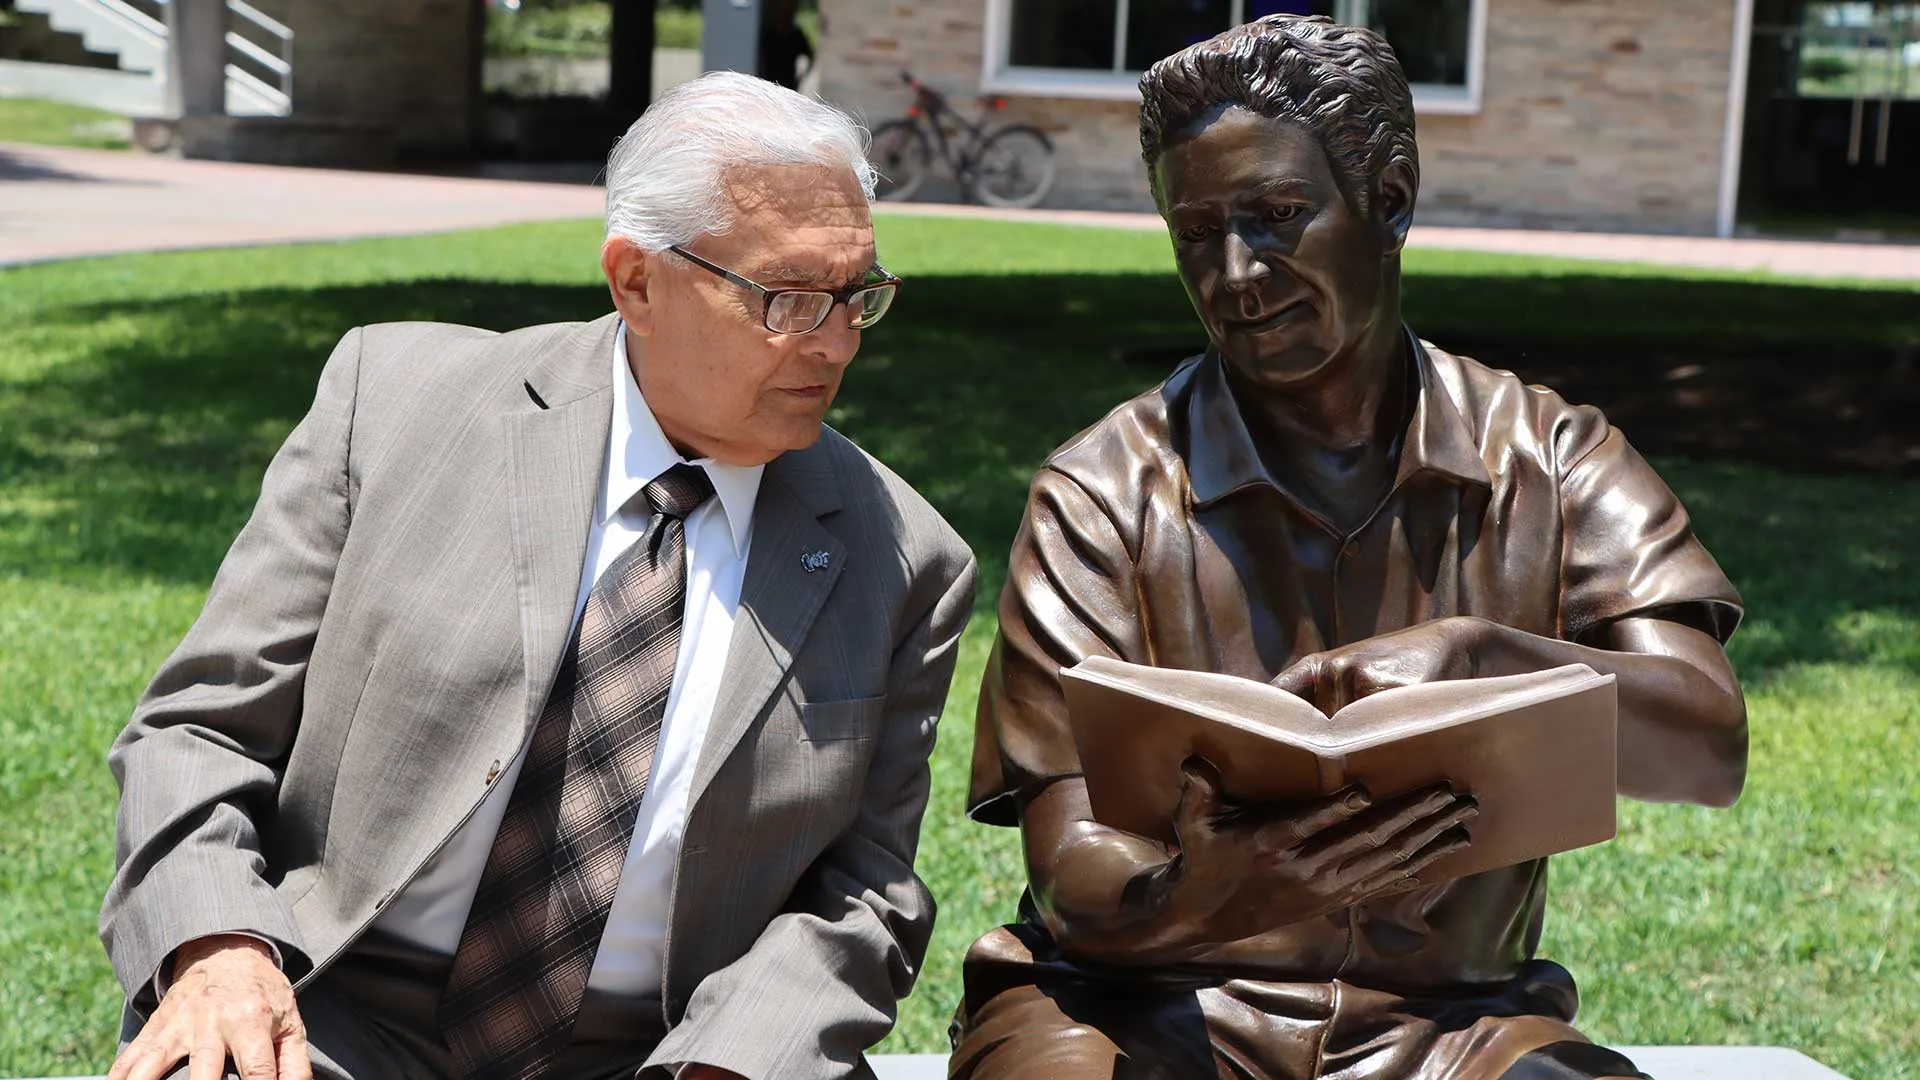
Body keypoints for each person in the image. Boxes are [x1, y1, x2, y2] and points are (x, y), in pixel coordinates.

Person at [100, 71, 976, 1080]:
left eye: (856, 297)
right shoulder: (391, 409)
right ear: (637, 282)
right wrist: (218, 947)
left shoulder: (901, 556)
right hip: (331, 1006)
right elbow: (199, 729)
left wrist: (727, 1066)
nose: (833, 344)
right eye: (785, 299)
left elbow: (861, 894)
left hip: (668, 1049)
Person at [951, 16, 1746, 1080]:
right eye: (1197, 232)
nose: (1234, 274)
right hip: (1141, 1009)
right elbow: (1068, 867)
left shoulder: (1552, 458)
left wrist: (1490, 662)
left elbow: (1707, 745)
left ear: (1390, 201)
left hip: (1451, 1030)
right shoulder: (1100, 494)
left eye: (1275, 217)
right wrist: (1215, 887)